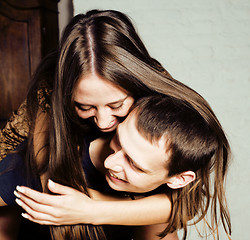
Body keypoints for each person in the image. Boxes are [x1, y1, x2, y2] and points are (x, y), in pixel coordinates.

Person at [0, 9, 231, 240]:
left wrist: (91, 209)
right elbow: (35, 174)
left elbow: (186, 204)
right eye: (85, 107)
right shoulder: (49, 97)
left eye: (117, 105)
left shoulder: (158, 98)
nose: (103, 122)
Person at [1, 95, 231, 240]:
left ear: (179, 179)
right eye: (118, 140)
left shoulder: (162, 195)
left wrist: (91, 209)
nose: (110, 162)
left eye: (134, 164)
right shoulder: (41, 162)